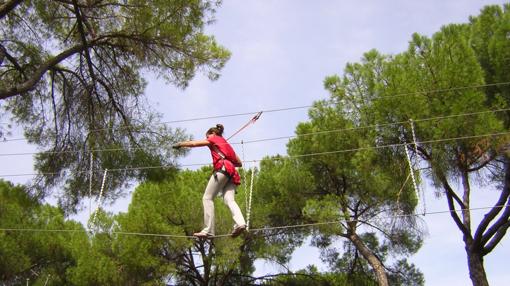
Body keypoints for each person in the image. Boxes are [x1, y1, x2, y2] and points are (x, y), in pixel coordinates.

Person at [173, 124, 247, 238]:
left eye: (207, 136)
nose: (207, 139)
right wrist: (225, 153)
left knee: (207, 198)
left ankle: (208, 230)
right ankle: (240, 223)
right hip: (231, 173)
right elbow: (239, 163)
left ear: (211, 134)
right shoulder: (226, 144)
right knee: (229, 200)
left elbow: (194, 144)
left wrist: (180, 144)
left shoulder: (212, 138)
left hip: (222, 169)